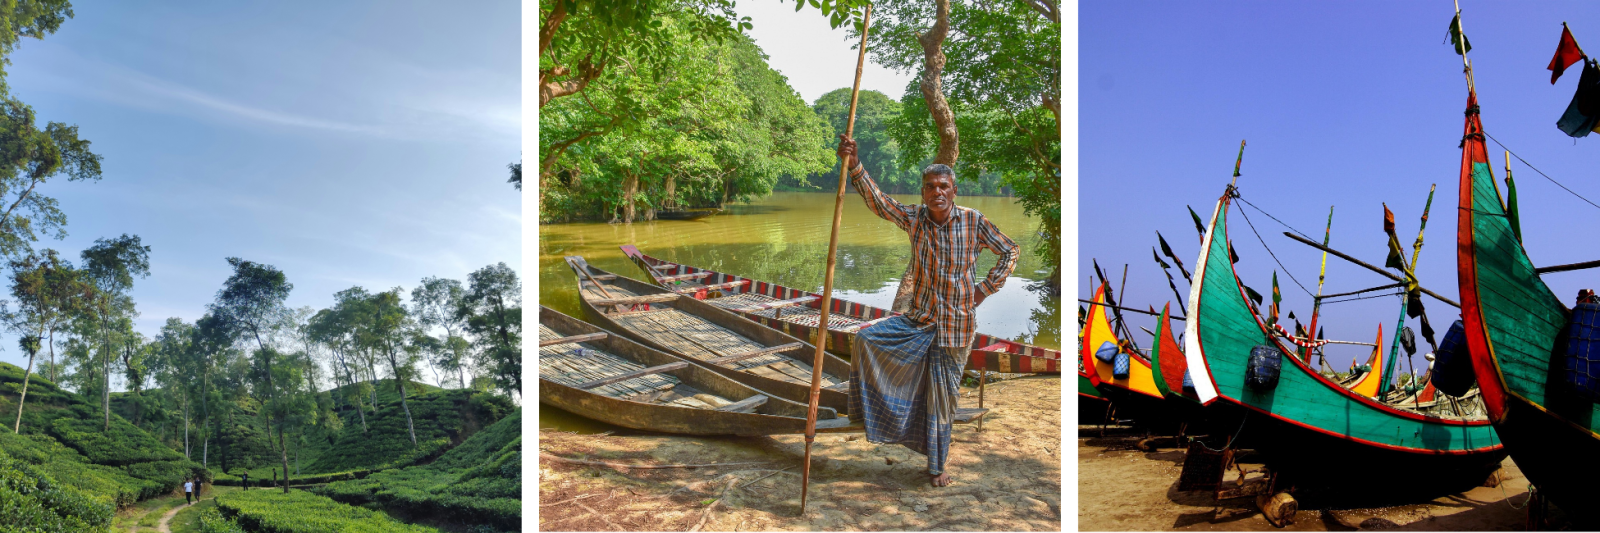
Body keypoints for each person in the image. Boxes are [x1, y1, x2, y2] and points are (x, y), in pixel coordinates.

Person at [835, 134, 1019, 488]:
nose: (937, 192)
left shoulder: (973, 221)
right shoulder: (915, 219)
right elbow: (879, 203)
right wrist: (855, 164)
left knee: (943, 398)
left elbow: (1010, 250)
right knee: (866, 338)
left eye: (943, 186)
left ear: (953, 191)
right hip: (917, 321)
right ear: (923, 192)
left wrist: (985, 289)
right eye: (930, 186)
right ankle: (879, 418)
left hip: (956, 328)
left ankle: (937, 467)